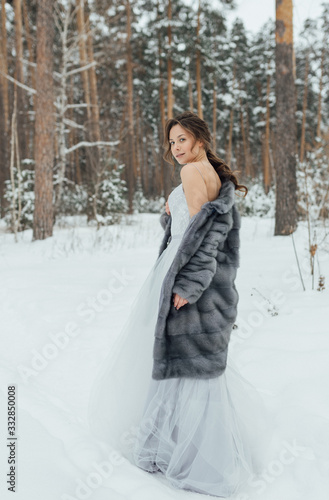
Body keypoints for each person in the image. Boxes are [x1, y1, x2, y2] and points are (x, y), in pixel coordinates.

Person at [87, 111, 272, 497]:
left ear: (200, 140)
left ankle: (184, 456)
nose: (175, 148)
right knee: (192, 364)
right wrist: (171, 215)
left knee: (176, 361)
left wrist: (189, 283)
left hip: (183, 274)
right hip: (190, 272)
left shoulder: (191, 173)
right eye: (171, 142)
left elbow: (201, 239)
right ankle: (183, 446)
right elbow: (199, 225)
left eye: (182, 140)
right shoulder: (213, 175)